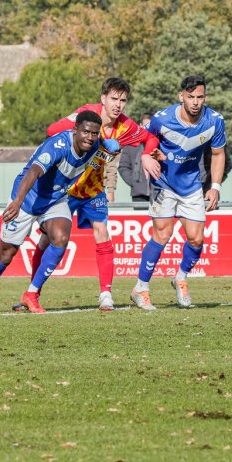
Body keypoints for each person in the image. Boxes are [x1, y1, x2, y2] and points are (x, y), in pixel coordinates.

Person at [0, 110, 118, 315]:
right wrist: (17, 201)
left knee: (60, 238)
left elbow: (109, 146)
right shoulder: (58, 146)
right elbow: (34, 171)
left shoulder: (95, 144)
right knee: (7, 254)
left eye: (95, 134)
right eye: (86, 132)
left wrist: (112, 146)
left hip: (55, 199)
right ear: (75, 130)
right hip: (27, 198)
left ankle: (31, 294)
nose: (90, 137)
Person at [39, 77, 159, 310]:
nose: (118, 105)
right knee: (48, 239)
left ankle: (106, 294)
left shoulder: (125, 126)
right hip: (66, 188)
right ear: (103, 99)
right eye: (114, 99)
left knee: (102, 233)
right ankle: (33, 293)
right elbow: (51, 130)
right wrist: (99, 140)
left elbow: (150, 137)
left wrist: (147, 154)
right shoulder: (86, 115)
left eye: (123, 100)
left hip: (93, 190)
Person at [130, 75, 227, 310]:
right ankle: (141, 288)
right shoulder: (161, 119)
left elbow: (217, 154)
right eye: (191, 97)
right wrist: (151, 155)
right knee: (162, 235)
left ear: (205, 97)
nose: (195, 102)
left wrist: (215, 187)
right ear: (181, 96)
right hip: (163, 182)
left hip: (192, 184)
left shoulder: (214, 121)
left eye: (200, 97)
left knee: (196, 238)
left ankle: (180, 278)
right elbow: (148, 141)